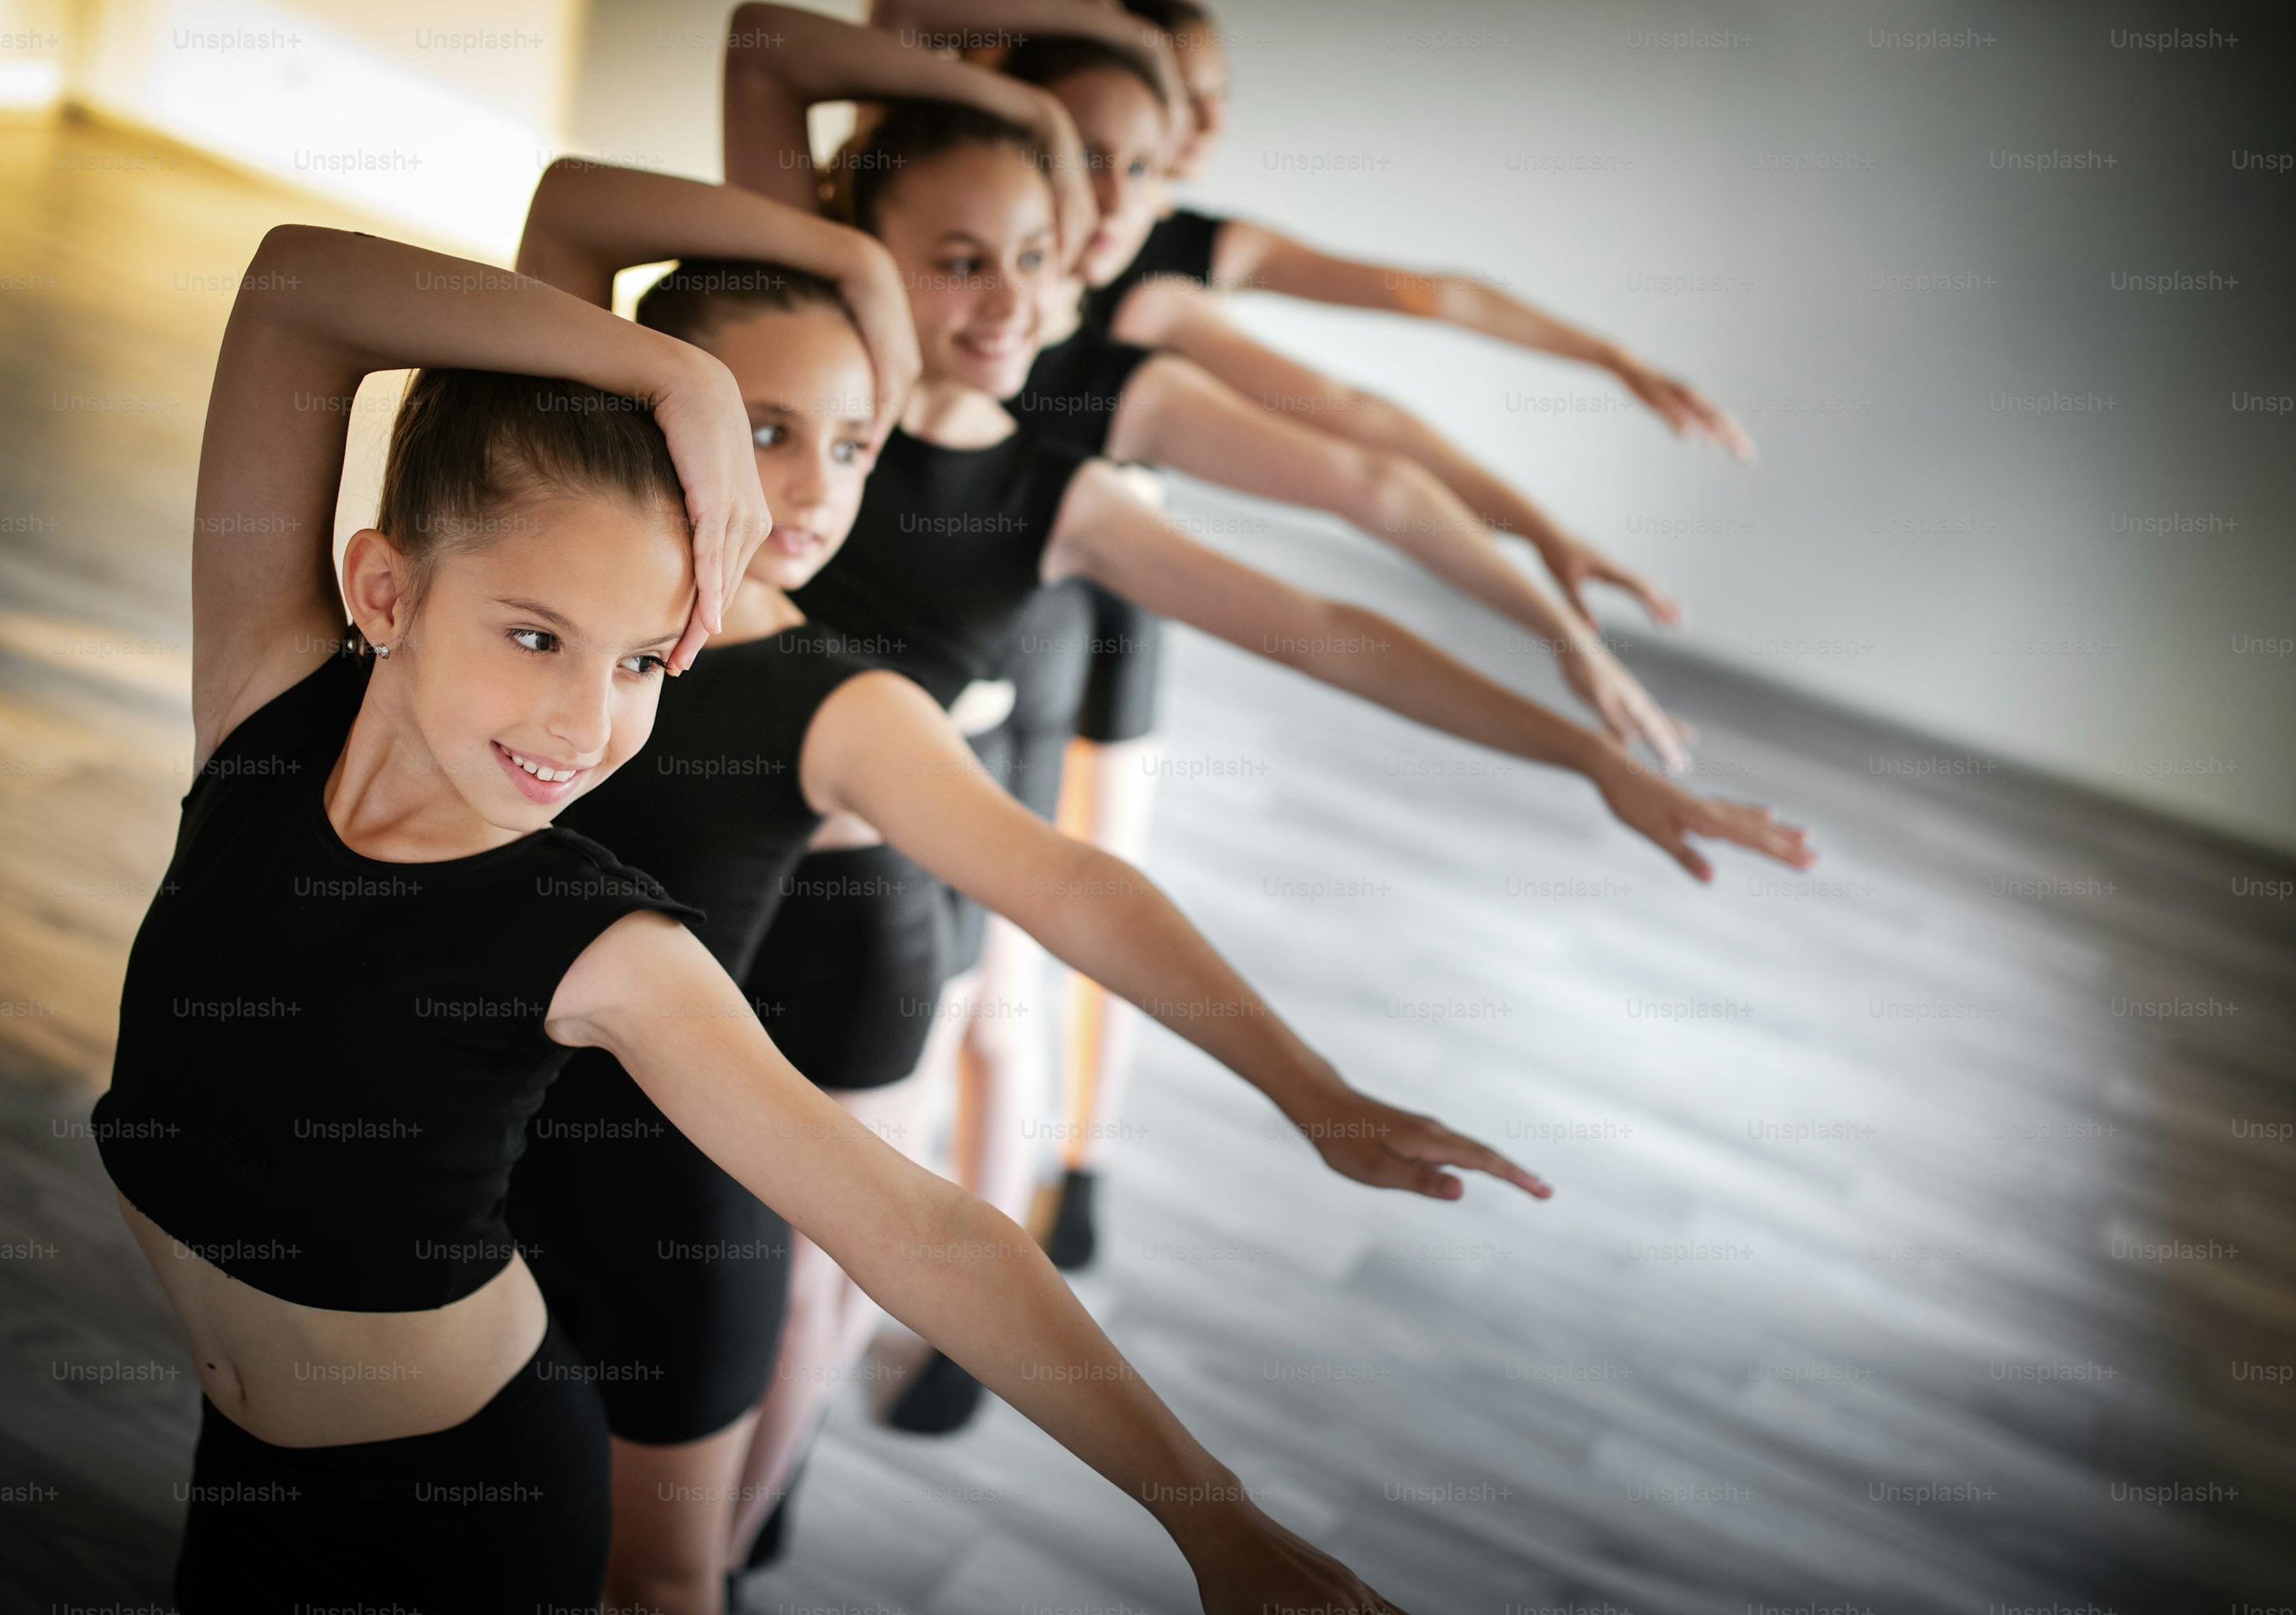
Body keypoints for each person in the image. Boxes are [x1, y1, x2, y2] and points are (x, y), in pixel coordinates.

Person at [86, 220, 1453, 1614]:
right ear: (385, 589)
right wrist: (677, 380)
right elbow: (295, 290)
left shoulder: (602, 940)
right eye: (537, 635)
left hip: (457, 1518)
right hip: (242, 1471)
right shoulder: (261, 708)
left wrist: (1213, 1525)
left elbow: (922, 1229)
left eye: (644, 661)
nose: (585, 721)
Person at [505, 158, 1548, 1613]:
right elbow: (570, 211)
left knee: (661, 1583)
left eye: (857, 445)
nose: (815, 490)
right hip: (455, 1158)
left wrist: (1310, 1089)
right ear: (655, 398)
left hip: (670, 1212)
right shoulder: (524, 559)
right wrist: (871, 281)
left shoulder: (841, 699)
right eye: (765, 431)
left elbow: (1076, 889)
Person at [726, 84, 1819, 1443]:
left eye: (1038, 250)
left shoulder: (1054, 489)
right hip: (696, 870)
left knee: (811, 1282)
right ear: (853, 244)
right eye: (958, 259)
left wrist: (1583, 748)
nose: (1013, 297)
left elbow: (1332, 631)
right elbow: (761, 51)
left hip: (867, 899)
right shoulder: (769, 367)